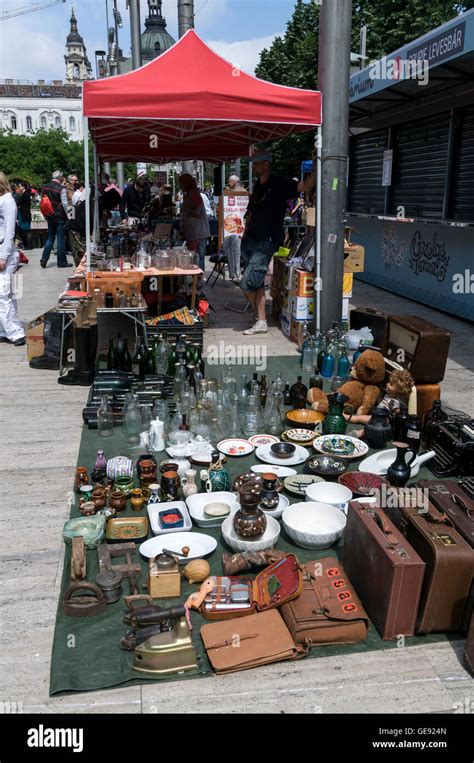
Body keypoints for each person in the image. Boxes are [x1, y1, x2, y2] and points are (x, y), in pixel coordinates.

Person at [241, 150, 315, 335]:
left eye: (256, 163)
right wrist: (245, 232)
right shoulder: (257, 184)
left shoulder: (279, 182)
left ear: (266, 164)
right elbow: (250, 212)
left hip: (266, 241)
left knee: (246, 283)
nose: (254, 166)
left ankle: (259, 317)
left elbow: (305, 186)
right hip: (250, 238)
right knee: (256, 282)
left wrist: (316, 165)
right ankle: (261, 321)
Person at [0, 171, 26, 346]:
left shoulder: (7, 202)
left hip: (5, 252)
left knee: (3, 294)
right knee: (7, 293)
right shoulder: (5, 200)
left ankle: (15, 332)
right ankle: (6, 329)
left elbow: (10, 231)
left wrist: (3, 255)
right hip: (6, 251)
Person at [179, 173, 210, 274]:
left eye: (181, 184)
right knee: (195, 258)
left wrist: (187, 213)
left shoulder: (194, 194)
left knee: (198, 258)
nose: (180, 186)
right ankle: (196, 279)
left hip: (198, 232)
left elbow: (198, 211)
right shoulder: (188, 194)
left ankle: (199, 280)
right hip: (193, 232)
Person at [40, 170, 72, 268]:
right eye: (62, 177)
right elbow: (65, 205)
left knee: (50, 237)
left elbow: (43, 202)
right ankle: (61, 262)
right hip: (59, 216)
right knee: (60, 239)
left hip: (49, 215)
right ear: (60, 177)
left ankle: (44, 259)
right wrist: (70, 216)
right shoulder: (61, 188)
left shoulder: (45, 187)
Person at [15, 180, 32, 250]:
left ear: (23, 187)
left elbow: (19, 203)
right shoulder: (26, 194)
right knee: (26, 230)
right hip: (25, 214)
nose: (19, 187)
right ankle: (28, 245)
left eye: (20, 186)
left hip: (25, 215)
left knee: (26, 230)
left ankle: (29, 245)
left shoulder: (25, 194)